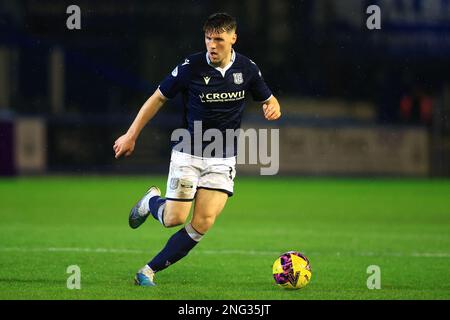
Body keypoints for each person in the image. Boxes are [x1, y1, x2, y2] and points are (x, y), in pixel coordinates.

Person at [113, 12, 281, 286]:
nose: (212, 45)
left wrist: (273, 105)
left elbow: (270, 99)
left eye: (219, 39)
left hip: (223, 158)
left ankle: (147, 271)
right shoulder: (190, 66)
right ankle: (151, 202)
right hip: (188, 153)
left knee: (203, 222)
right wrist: (131, 135)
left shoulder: (247, 69)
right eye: (208, 38)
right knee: (174, 218)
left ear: (233, 38)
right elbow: (157, 98)